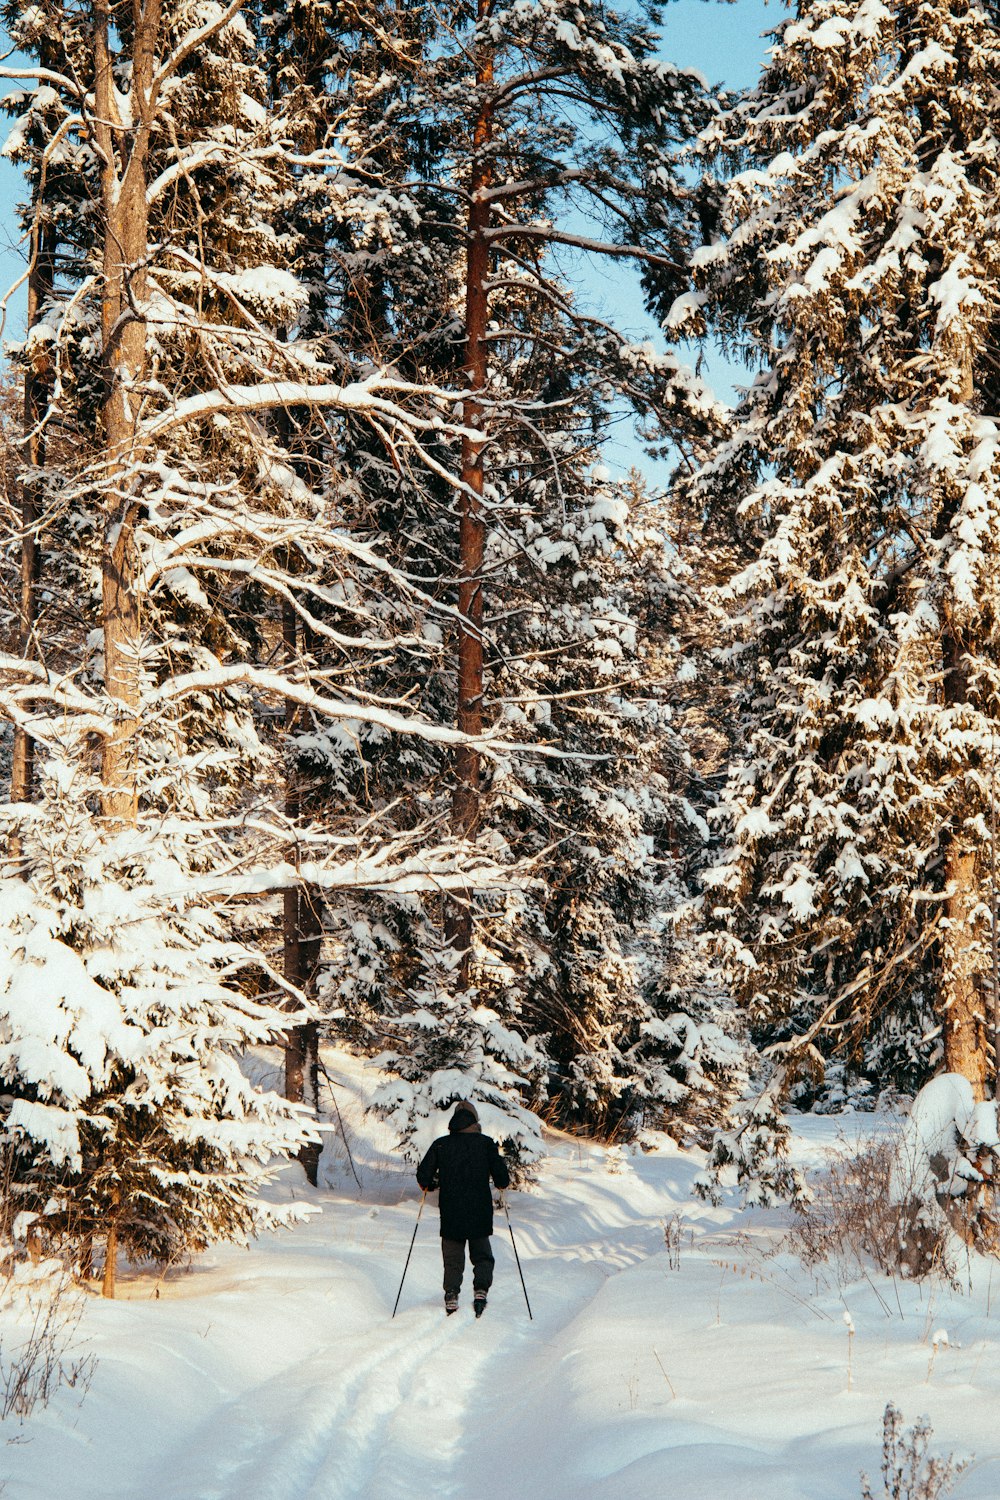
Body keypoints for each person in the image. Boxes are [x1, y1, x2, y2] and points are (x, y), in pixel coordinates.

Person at [416, 1098, 510, 1316]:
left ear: (453, 1122)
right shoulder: (486, 1144)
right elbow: (502, 1178)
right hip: (479, 1210)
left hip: (451, 1210)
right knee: (482, 1255)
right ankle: (480, 1292)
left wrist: (429, 1185)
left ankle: (451, 1294)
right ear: (475, 1121)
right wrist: (501, 1183)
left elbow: (423, 1176)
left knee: (452, 1257)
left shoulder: (441, 1144)